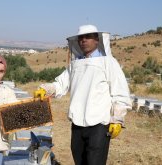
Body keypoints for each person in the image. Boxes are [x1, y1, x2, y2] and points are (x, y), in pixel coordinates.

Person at [34, 25, 132, 165]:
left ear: (97, 40)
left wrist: (117, 119)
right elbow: (61, 84)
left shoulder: (109, 62)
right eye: (81, 38)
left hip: (99, 124)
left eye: (88, 37)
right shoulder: (76, 63)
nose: (83, 40)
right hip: (77, 124)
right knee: (79, 161)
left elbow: (120, 93)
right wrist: (46, 89)